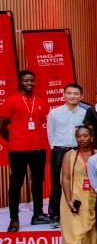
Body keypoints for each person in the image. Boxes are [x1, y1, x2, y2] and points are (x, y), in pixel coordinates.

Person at [0, 70, 50, 231]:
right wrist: (13, 138)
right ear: (19, 83)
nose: (29, 83)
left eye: (32, 81)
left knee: (37, 183)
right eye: (26, 81)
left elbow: (41, 122)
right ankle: (14, 218)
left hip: (38, 148)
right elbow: (1, 125)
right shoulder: (10, 101)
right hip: (18, 149)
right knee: (16, 183)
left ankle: (38, 214)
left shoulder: (41, 102)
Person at [59, 125, 97, 244]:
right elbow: (66, 179)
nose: (82, 139)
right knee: (75, 236)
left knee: (92, 236)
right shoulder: (70, 155)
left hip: (93, 199)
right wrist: (69, 201)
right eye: (79, 136)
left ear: (92, 137)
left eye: (85, 135)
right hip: (74, 199)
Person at [47, 83, 86, 227]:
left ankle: (76, 210)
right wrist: (56, 148)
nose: (72, 96)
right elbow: (50, 133)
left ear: (81, 96)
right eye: (69, 93)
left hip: (77, 151)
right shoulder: (54, 113)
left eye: (76, 94)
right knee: (57, 182)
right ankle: (55, 214)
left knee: (78, 181)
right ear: (63, 95)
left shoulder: (84, 113)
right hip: (59, 151)